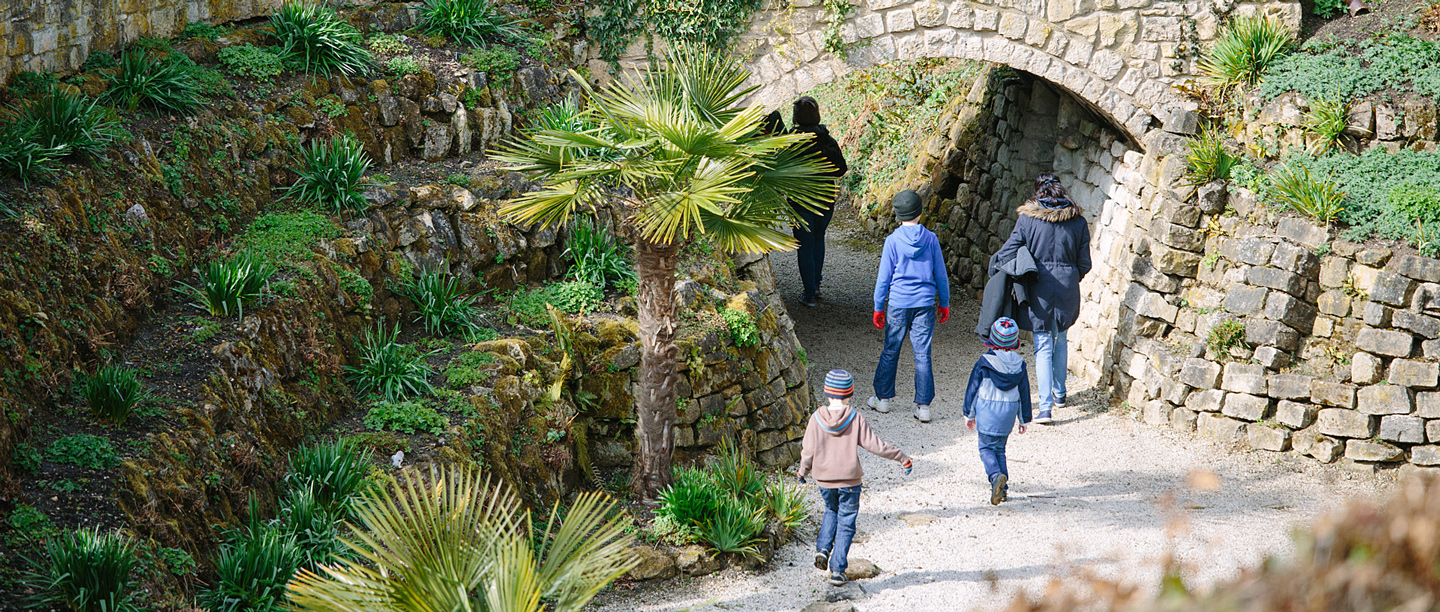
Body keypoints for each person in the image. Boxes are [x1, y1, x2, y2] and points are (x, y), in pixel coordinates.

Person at [798, 369, 912, 587]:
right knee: (847, 523)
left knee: (831, 510)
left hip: (824, 479)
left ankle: (822, 549)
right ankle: (838, 570)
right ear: (849, 394)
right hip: (849, 481)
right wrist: (901, 457)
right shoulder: (855, 417)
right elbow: (875, 445)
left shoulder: (815, 418)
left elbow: (808, 450)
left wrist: (803, 471)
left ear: (826, 393)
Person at [992, 174, 1091, 424]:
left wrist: (999, 268)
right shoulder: (1078, 221)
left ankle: (1045, 408)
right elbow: (1085, 264)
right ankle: (1060, 394)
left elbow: (1009, 251)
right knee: (1061, 340)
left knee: (1043, 345)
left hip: (1038, 288)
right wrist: (1069, 276)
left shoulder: (1027, 220)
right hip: (1068, 287)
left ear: (1039, 193)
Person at [867, 189, 950, 423]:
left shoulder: (892, 241)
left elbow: (884, 278)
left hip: (897, 303)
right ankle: (923, 406)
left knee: (891, 349)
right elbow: (941, 275)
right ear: (920, 212)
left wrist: (878, 306)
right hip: (924, 303)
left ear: (897, 215)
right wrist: (943, 302)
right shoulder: (931, 239)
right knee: (922, 353)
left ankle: (882, 400)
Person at [962, 317, 1032, 505]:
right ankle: (1003, 489)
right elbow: (1024, 393)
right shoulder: (1020, 365)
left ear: (992, 340)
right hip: (1008, 415)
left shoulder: (984, 363)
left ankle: (995, 477)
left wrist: (969, 414)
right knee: (1000, 449)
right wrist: (1024, 419)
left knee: (985, 448)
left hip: (987, 412)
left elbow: (973, 389)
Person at [790, 96, 848, 307]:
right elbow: (841, 169)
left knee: (804, 245)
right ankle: (816, 285)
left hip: (799, 200)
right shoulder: (826, 139)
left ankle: (809, 293)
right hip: (825, 197)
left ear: (796, 117)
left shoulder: (790, 140)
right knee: (818, 239)